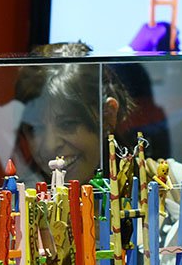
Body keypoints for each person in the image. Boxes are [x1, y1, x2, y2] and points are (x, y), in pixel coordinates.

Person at [11, 43, 134, 185]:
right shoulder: (19, 197)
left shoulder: (149, 185)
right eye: (35, 129)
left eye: (67, 124)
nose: (50, 146)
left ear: (107, 116)